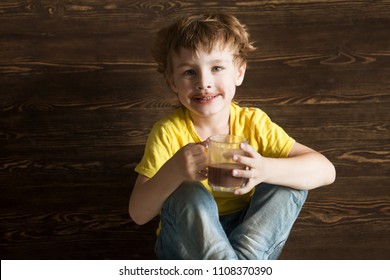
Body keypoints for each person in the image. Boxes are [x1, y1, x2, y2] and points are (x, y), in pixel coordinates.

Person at [128, 13, 336, 260]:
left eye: (216, 68)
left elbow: (326, 171)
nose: (204, 82)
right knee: (188, 191)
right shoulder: (168, 132)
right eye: (189, 73)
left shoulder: (253, 123)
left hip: (249, 236)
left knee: (288, 182)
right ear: (172, 81)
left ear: (239, 73)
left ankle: (232, 266)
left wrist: (265, 169)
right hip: (186, 244)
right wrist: (174, 171)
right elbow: (138, 214)